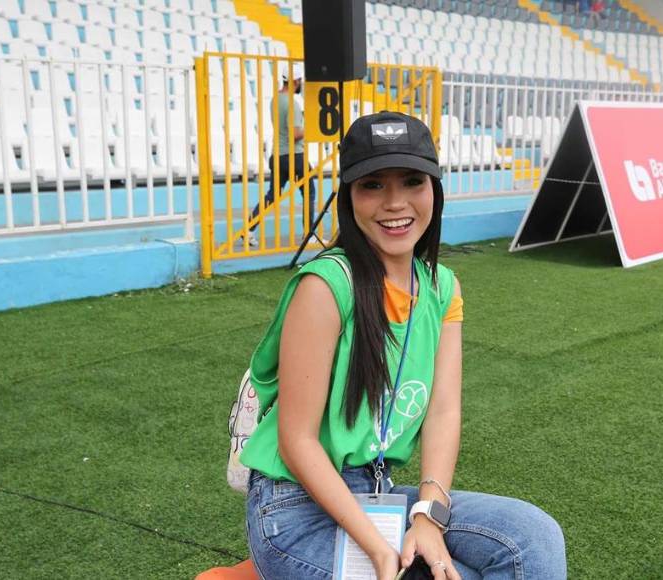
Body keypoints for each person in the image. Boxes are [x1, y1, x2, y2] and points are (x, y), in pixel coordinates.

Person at [242, 111, 567, 580]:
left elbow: (442, 413)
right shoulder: (326, 286)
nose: (395, 203)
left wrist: (428, 516)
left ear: (434, 188)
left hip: (378, 493)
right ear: (348, 196)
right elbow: (297, 442)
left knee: (534, 536)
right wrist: (378, 548)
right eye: (372, 184)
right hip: (294, 507)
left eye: (413, 181)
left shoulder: (442, 287)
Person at [247, 64, 318, 246]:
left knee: (272, 195)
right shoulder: (292, 103)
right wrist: (313, 127)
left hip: (277, 155)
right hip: (294, 155)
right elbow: (295, 135)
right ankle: (308, 235)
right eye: (300, 81)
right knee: (309, 192)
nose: (301, 83)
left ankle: (248, 230)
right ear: (295, 81)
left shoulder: (275, 99)